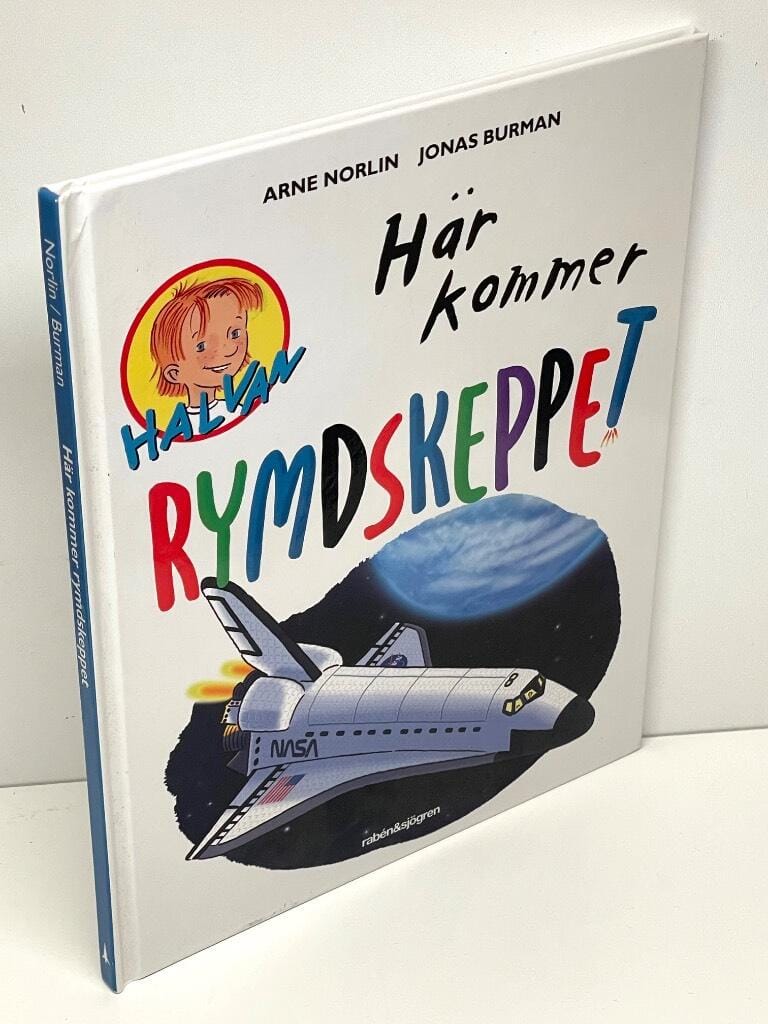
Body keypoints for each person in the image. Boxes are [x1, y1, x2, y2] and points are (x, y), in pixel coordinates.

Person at [149, 276, 264, 426]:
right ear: (174, 373)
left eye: (235, 334)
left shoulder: (238, 412)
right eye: (201, 346)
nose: (228, 350)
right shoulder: (179, 428)